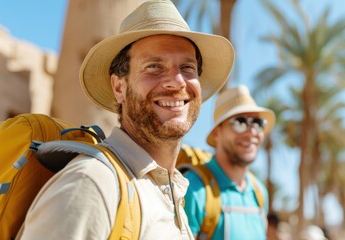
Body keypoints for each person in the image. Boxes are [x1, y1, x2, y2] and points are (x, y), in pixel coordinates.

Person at [17, 0, 234, 239]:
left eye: (187, 67)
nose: (178, 81)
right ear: (119, 87)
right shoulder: (91, 185)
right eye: (154, 66)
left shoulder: (173, 190)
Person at [184, 85, 275, 240]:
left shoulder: (259, 192)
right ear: (217, 133)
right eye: (240, 122)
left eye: (258, 123)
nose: (252, 132)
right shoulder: (193, 189)